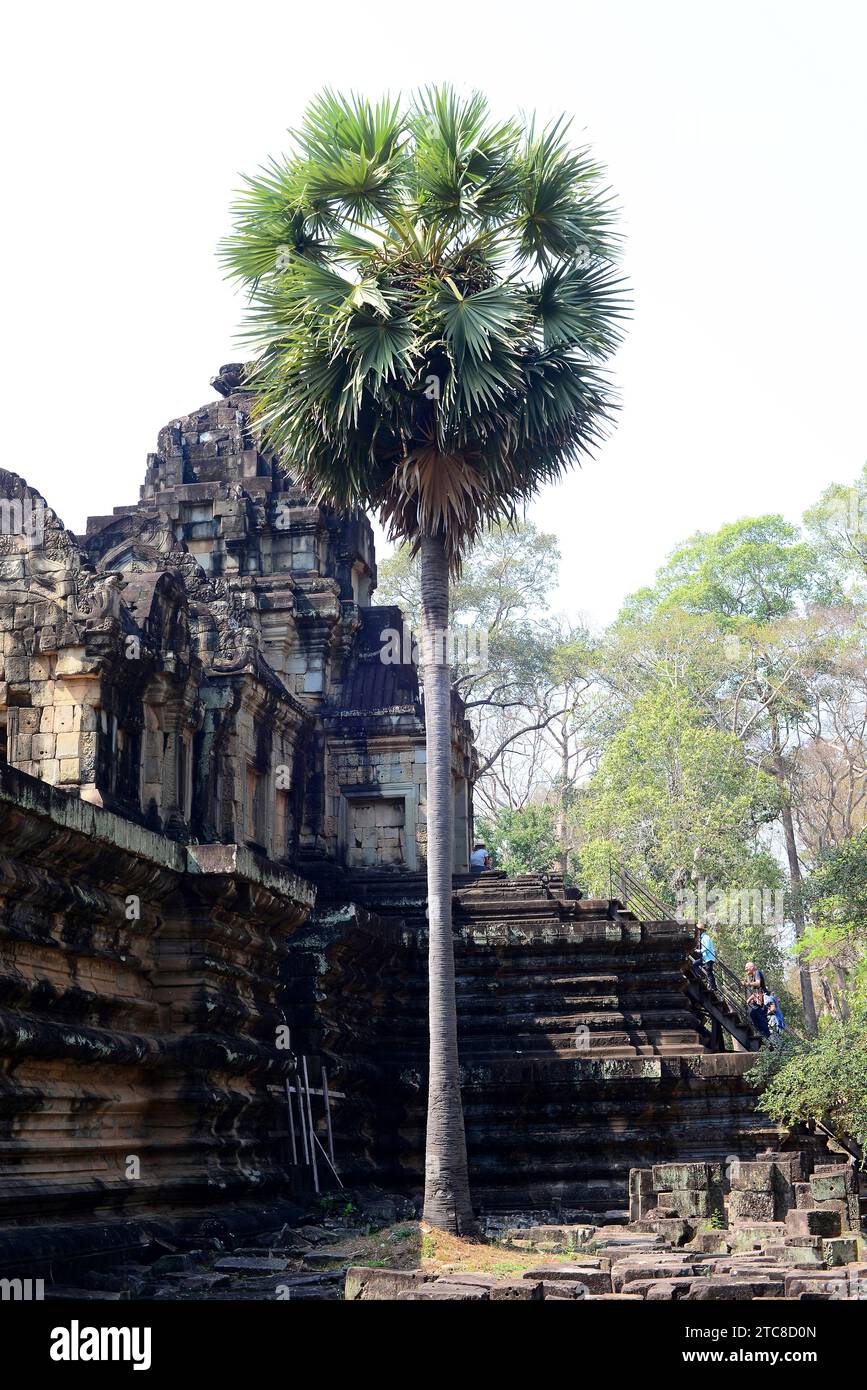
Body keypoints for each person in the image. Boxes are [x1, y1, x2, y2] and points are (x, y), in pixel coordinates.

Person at [699, 926, 717, 993]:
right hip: (705, 958)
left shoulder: (705, 937)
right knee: (695, 964)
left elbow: (706, 948)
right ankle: (703, 977)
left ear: (701, 931)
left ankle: (713, 987)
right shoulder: (702, 938)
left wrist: (699, 951)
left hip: (708, 958)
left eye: (698, 930)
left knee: (709, 973)